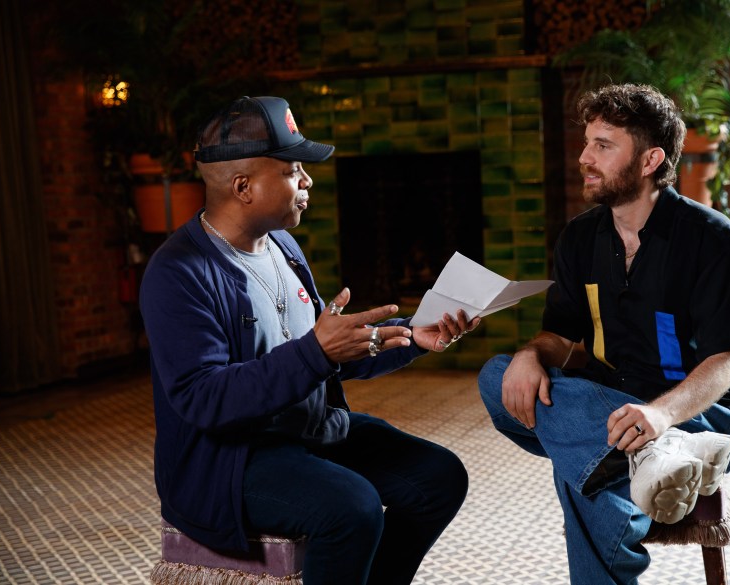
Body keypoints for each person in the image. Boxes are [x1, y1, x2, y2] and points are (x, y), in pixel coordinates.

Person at [139, 95, 479, 585]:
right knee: (352, 508)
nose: (307, 181)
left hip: (306, 430)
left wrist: (411, 335)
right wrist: (317, 352)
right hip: (229, 462)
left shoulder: (283, 246)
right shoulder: (178, 274)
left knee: (438, 477)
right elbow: (203, 398)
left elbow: (326, 355)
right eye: (292, 170)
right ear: (244, 187)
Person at [477, 83, 730, 584]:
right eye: (587, 142)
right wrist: (529, 354)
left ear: (651, 159)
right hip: (611, 405)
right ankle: (645, 458)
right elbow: (559, 339)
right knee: (497, 375)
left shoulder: (712, 238)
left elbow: (724, 361)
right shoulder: (580, 238)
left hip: (700, 420)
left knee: (577, 465)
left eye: (603, 145)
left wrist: (660, 414)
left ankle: (649, 450)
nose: (585, 157)